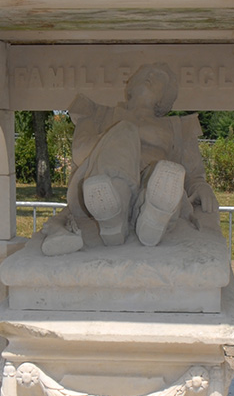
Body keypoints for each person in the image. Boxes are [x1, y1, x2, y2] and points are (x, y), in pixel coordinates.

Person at [41, 63, 218, 255]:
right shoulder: (98, 114)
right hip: (104, 182)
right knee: (125, 132)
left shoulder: (177, 127)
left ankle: (153, 220)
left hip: (152, 184)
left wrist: (201, 186)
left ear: (165, 97)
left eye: (159, 77)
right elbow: (80, 152)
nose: (151, 76)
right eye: (146, 73)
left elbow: (193, 173)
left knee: (164, 175)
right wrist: (123, 133)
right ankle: (113, 215)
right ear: (131, 84)